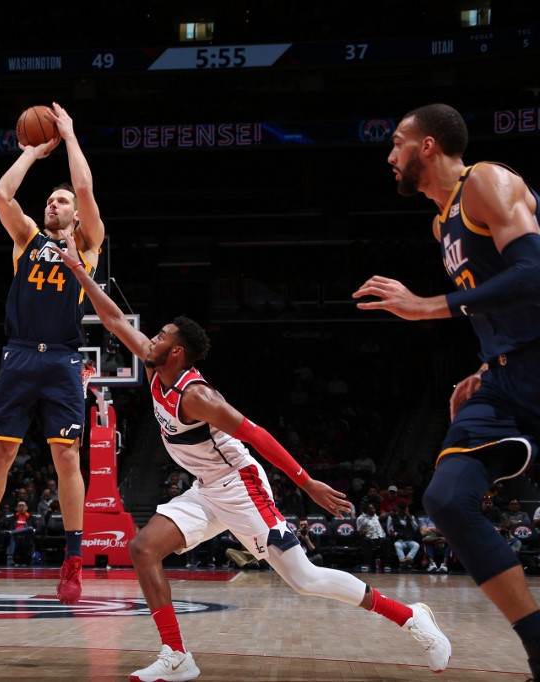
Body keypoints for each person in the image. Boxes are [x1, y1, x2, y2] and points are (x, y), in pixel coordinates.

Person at [56, 236, 450, 681]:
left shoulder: (198, 396)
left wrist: (306, 482)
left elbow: (256, 434)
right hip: (206, 489)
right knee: (143, 548)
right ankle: (177, 656)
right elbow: (112, 317)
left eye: (162, 336)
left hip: (240, 486)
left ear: (178, 351)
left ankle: (411, 616)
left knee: (305, 579)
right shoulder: (153, 365)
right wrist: (78, 270)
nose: (153, 338)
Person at [353, 102, 540, 679]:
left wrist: (429, 306)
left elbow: (532, 273)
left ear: (427, 145)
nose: (390, 155)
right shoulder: (442, 224)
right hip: (506, 379)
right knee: (447, 499)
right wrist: (485, 364)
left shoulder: (487, 180)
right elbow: (500, 304)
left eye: (398, 142)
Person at [0, 102, 105, 606]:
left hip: (64, 359)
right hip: (20, 354)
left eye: (60, 200)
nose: (53, 203)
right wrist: (30, 152)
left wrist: (69, 137)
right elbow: (1, 195)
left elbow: (85, 188)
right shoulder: (26, 238)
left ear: (75, 213)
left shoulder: (87, 244)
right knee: (1, 453)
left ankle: (73, 560)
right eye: (49, 199)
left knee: (66, 457)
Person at [387, 502, 421, 571]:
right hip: (399, 540)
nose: (403, 513)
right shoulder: (391, 517)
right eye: (401, 511)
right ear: (398, 509)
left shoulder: (411, 517)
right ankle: (406, 563)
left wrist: (411, 520)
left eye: (404, 511)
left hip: (410, 540)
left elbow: (416, 529)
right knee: (397, 545)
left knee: (416, 545)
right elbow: (390, 531)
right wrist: (398, 534)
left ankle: (404, 563)